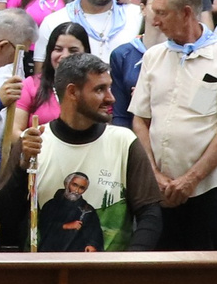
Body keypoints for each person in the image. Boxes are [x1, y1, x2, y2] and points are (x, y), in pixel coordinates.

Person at [130, 0, 217, 251]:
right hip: (159, 192)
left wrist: (190, 180)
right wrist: (153, 173)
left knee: (206, 283)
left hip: (208, 193)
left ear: (186, 13)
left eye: (162, 13)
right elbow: (140, 118)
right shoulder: (153, 56)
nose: (155, 21)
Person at [18, 51, 162, 250]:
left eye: (109, 88)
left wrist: (128, 264)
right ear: (72, 92)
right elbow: (8, 217)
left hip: (105, 275)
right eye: (100, 89)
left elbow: (150, 215)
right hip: (45, 272)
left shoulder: (124, 142)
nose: (111, 98)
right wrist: (22, 166)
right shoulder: (34, 141)